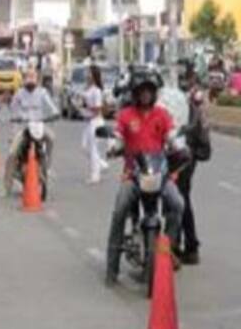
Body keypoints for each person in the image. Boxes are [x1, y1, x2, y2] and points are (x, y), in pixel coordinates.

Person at [104, 68, 185, 285]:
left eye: (149, 91)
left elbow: (171, 136)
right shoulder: (126, 115)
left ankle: (168, 249)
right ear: (135, 93)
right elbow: (118, 136)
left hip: (160, 172)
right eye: (142, 91)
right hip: (133, 174)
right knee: (120, 207)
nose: (146, 95)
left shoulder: (162, 115)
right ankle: (111, 267)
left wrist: (178, 147)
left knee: (177, 204)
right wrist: (113, 146)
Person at [2, 68, 60, 196]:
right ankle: (7, 187)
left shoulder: (42, 92)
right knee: (12, 153)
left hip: (39, 125)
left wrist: (54, 115)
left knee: (51, 138)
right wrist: (15, 117)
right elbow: (13, 109)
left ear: (37, 81)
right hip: (23, 127)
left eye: (32, 83)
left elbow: (52, 108)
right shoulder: (19, 93)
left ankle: (47, 167)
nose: (30, 86)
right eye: (28, 83)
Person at [174, 61, 210, 265]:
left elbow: (196, 124)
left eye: (184, 76)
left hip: (190, 148)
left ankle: (186, 244)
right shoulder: (171, 97)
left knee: (180, 195)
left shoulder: (194, 97)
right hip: (176, 147)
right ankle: (182, 243)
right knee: (179, 195)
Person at [80, 64, 109, 184]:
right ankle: (101, 164)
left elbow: (97, 109)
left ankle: (95, 176)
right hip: (89, 121)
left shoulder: (97, 91)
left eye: (89, 73)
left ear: (94, 75)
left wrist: (85, 106)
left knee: (93, 149)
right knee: (84, 147)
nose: (87, 75)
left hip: (96, 122)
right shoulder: (88, 89)